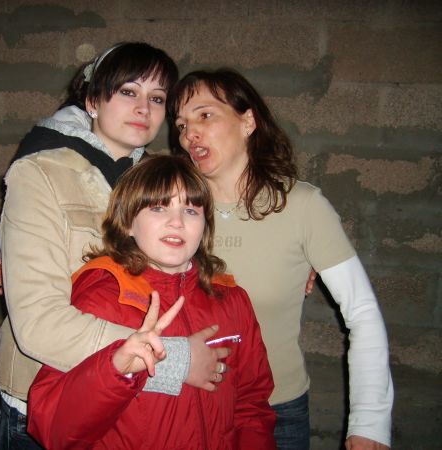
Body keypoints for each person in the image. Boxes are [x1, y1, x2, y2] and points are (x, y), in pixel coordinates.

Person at [0, 43, 230, 450]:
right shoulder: (39, 174)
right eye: (128, 91)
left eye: (157, 98)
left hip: (137, 409)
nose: (143, 108)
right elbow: (38, 324)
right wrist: (176, 359)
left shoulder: (160, 182)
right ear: (93, 100)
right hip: (50, 403)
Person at [167, 69, 394, 450]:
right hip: (184, 406)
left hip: (276, 412)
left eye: (204, 115)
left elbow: (362, 311)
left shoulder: (302, 207)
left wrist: (370, 422)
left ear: (248, 121)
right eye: (181, 124)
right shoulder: (170, 206)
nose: (190, 133)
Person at [27, 155, 276, 450]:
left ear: (205, 226)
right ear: (128, 223)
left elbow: (251, 405)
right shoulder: (102, 298)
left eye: (191, 210)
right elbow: (53, 427)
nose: (177, 222)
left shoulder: (232, 299)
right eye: (158, 207)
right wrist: (117, 368)